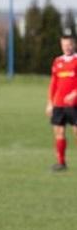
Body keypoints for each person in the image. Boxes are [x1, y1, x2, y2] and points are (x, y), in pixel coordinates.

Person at [46, 35, 77, 171]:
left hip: (75, 105)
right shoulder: (57, 61)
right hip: (59, 104)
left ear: (74, 44)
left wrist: (75, 93)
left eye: (69, 44)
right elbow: (53, 83)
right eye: (64, 45)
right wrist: (50, 102)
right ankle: (61, 162)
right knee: (59, 132)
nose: (66, 47)